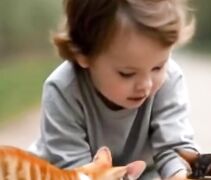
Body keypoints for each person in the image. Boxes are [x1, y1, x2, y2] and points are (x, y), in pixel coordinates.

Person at [28, 0, 199, 179]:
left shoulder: (169, 80)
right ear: (84, 55)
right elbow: (74, 168)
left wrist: (180, 174)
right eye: (127, 73)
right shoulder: (63, 90)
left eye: (158, 67)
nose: (146, 84)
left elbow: (174, 150)